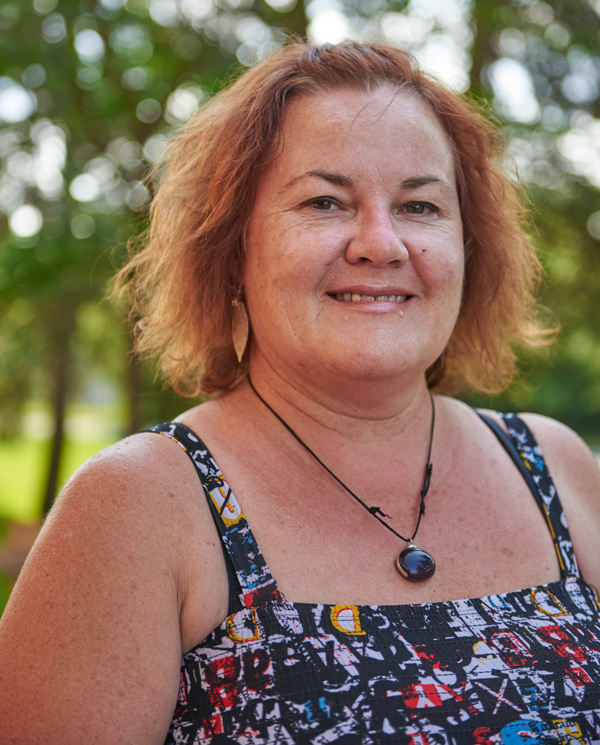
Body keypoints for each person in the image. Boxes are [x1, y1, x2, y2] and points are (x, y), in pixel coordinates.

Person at [1, 40, 599, 744]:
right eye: (324, 200)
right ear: (230, 252)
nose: (381, 243)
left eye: (420, 205)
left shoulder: (558, 469)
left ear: (470, 246)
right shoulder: (138, 505)